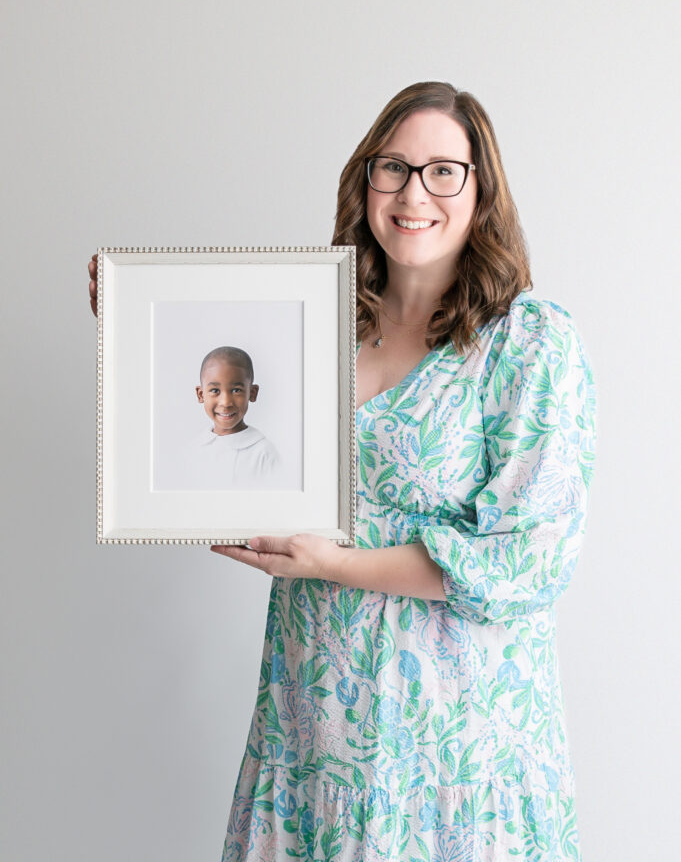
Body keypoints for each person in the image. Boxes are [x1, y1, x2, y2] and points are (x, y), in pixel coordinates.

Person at [87, 81, 596, 861]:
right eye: (391, 167)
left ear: (480, 189)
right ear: (364, 183)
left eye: (442, 170)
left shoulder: (526, 341)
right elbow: (238, 452)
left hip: (456, 749)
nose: (412, 191)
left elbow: (528, 559)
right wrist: (139, 329)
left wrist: (336, 564)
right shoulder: (315, 328)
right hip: (314, 724)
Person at [190, 345, 280, 489]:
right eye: (215, 390)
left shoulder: (264, 453)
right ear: (201, 395)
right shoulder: (194, 448)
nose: (225, 402)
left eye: (236, 390)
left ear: (252, 393)